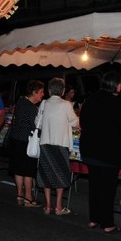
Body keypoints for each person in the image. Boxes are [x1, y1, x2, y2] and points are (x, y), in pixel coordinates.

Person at [79, 71, 121, 233]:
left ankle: (94, 219)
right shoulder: (117, 104)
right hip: (108, 153)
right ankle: (108, 223)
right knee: (107, 189)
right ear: (115, 85)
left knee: (94, 186)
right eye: (120, 83)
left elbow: (82, 122)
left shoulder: (90, 100)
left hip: (90, 150)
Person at [37, 77, 79, 215]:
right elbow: (75, 122)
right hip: (61, 144)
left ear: (49, 90)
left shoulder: (44, 103)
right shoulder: (66, 104)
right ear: (62, 91)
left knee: (46, 174)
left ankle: (48, 206)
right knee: (61, 175)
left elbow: (37, 122)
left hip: (45, 143)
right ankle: (59, 206)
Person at [7, 79, 44, 207]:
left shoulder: (21, 102)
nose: (42, 95)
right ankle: (28, 198)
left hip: (15, 138)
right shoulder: (31, 108)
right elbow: (34, 126)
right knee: (28, 170)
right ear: (34, 92)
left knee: (18, 169)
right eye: (41, 92)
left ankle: (20, 195)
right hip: (26, 141)